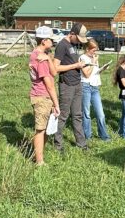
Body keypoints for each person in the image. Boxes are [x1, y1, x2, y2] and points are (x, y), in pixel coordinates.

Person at [53, 23, 89, 153]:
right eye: (78, 38)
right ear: (72, 33)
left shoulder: (73, 45)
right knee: (63, 115)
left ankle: (82, 144)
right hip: (66, 84)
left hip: (77, 83)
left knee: (77, 115)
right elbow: (55, 68)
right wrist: (75, 65)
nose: (79, 42)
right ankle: (58, 145)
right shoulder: (62, 45)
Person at [28, 27, 60, 165]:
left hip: (46, 96)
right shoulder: (38, 58)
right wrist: (56, 103)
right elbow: (49, 84)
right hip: (42, 96)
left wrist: (48, 58)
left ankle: (39, 155)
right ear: (44, 40)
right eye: (51, 39)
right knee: (40, 129)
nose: (53, 42)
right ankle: (39, 161)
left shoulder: (44, 56)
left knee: (46, 129)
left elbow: (54, 73)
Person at [79, 39, 111, 142]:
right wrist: (93, 63)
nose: (95, 52)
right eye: (93, 50)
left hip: (95, 87)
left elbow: (94, 73)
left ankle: (104, 135)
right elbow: (86, 74)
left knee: (101, 113)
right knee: (86, 113)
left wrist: (102, 69)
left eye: (96, 50)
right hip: (86, 87)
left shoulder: (93, 58)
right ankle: (87, 136)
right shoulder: (82, 58)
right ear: (87, 49)